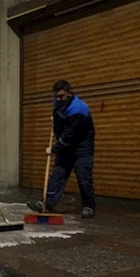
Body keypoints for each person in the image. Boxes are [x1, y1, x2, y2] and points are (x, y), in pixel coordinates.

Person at [27, 80, 96, 218]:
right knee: (57, 176)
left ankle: (89, 207)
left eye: (61, 96)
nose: (58, 99)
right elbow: (62, 126)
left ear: (69, 93)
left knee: (84, 177)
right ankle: (46, 204)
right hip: (65, 147)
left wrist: (53, 149)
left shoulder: (79, 109)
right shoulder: (59, 103)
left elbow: (70, 135)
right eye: (56, 96)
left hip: (81, 148)